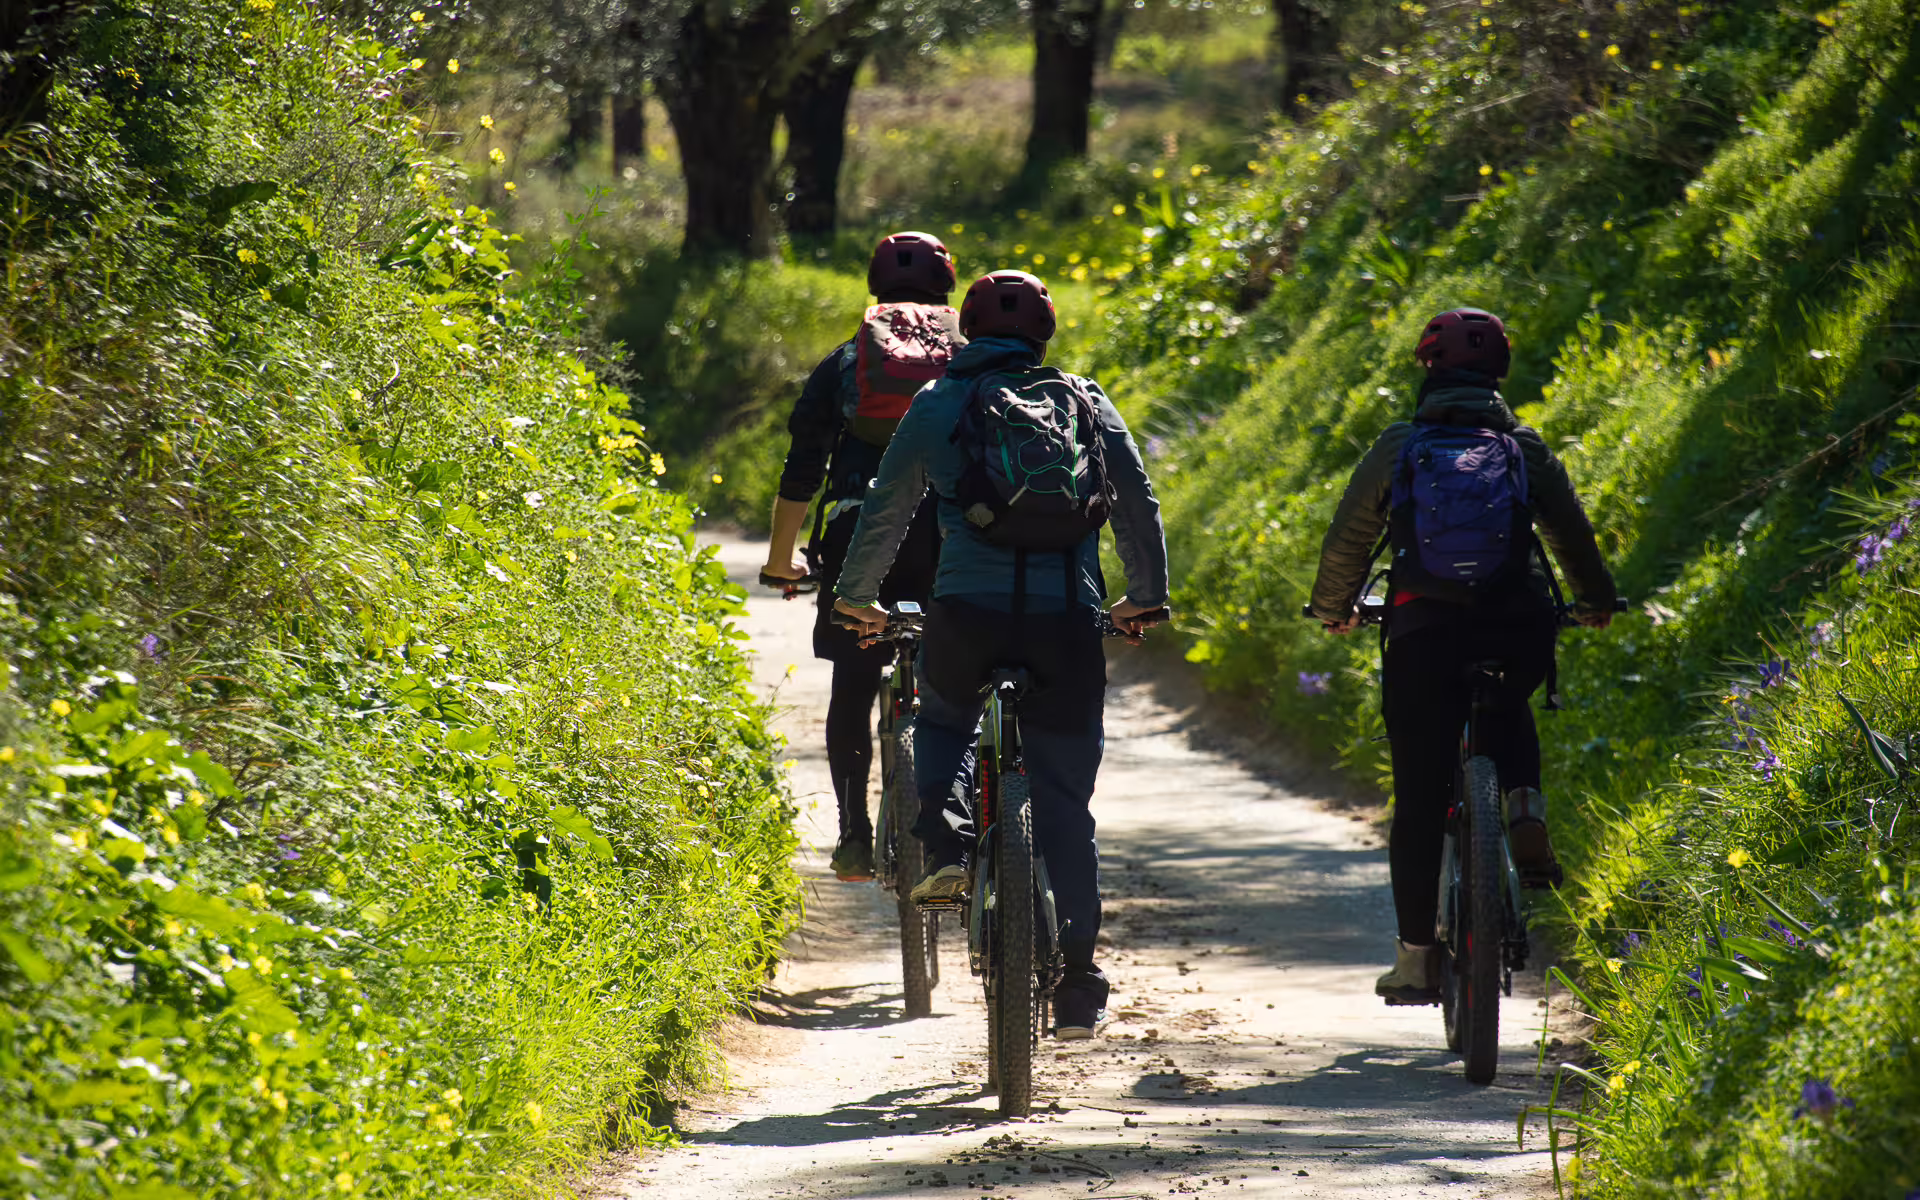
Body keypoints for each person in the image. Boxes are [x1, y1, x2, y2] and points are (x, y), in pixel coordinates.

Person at [832, 270, 1170, 1039]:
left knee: (946, 722)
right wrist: (1144, 594)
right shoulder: (1085, 399)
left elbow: (888, 505)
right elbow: (1137, 501)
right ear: (1043, 334)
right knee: (1064, 807)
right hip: (1067, 620)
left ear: (965, 335)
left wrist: (857, 597)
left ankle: (947, 845)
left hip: (967, 613)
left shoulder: (941, 401)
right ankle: (1079, 983)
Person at [1308, 307, 1616, 1005]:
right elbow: (1572, 536)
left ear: (1428, 369)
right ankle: (1525, 807)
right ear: (1499, 373)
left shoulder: (1400, 446)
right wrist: (1595, 600)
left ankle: (1417, 960)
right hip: (1518, 622)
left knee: (1420, 794)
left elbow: (1349, 539)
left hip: (1424, 630)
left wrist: (1336, 608)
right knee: (1507, 700)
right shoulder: (1523, 449)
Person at [761, 231, 963, 882]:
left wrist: (781, 559)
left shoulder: (845, 364)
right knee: (958, 683)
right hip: (949, 541)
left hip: (854, 537)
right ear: (947, 291)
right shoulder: (971, 364)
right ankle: (964, 829)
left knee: (853, 682)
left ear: (875, 290)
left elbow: (801, 473)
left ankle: (852, 834)